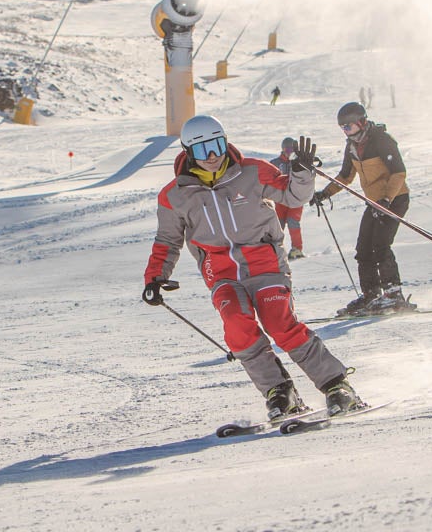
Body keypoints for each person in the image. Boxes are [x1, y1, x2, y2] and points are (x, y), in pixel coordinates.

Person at [142, 115, 365, 420]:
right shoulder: (174, 195)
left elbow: (294, 195)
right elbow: (168, 240)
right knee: (237, 324)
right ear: (187, 152)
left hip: (266, 265)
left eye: (217, 144)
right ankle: (279, 392)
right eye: (203, 149)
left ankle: (337, 385)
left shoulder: (253, 171)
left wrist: (301, 174)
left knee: (279, 322)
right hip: (220, 274)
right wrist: (155, 277)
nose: (212, 155)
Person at [310, 102, 412, 316]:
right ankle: (372, 295)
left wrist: (386, 200)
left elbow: (399, 173)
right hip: (374, 202)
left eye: (348, 127)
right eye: (343, 128)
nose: (346, 132)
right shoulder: (352, 147)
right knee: (363, 249)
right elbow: (346, 176)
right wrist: (325, 193)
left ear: (361, 122)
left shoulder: (382, 140)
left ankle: (394, 294)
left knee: (380, 245)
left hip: (394, 199)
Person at [269, 137, 306, 261]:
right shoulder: (275, 163)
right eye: (287, 150)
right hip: (281, 199)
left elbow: (306, 179)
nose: (289, 152)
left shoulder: (300, 162)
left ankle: (297, 249)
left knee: (292, 221)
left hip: (296, 198)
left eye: (292, 150)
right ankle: (275, 248)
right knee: (278, 224)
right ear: (283, 150)